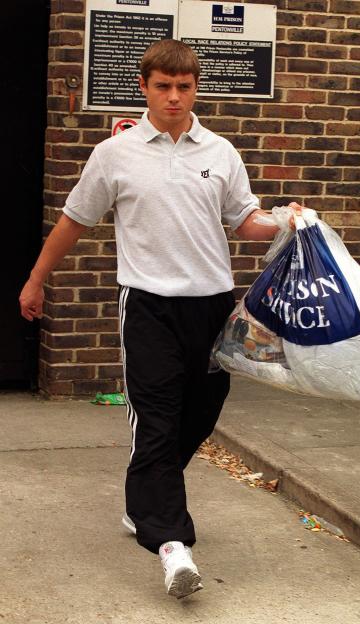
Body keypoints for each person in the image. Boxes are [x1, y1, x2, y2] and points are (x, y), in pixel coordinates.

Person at [19, 39, 301, 599]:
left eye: (185, 87)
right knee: (155, 420)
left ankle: (142, 504)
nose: (174, 97)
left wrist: (289, 221)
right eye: (163, 86)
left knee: (198, 414)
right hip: (147, 305)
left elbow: (245, 222)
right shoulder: (115, 155)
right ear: (145, 87)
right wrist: (35, 279)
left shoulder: (219, 152)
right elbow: (75, 220)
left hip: (213, 307)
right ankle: (173, 545)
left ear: (195, 89)